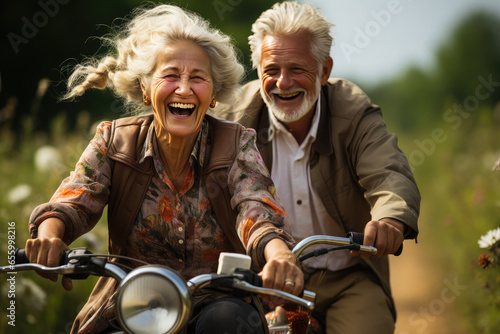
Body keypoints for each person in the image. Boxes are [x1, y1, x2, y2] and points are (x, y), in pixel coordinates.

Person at [24, 4, 304, 334]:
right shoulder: (114, 142)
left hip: (218, 301)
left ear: (213, 95)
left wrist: (279, 256)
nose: (184, 89)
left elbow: (256, 211)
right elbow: (74, 200)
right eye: (170, 75)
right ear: (145, 89)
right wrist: (49, 237)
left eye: (198, 78)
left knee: (227, 323)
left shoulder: (236, 144)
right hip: (134, 300)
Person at [212, 1, 421, 333]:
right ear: (258, 71)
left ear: (324, 71)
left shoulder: (353, 110)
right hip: (265, 283)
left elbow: (389, 173)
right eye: (271, 69)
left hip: (348, 279)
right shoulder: (233, 117)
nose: (283, 82)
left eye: (297, 69)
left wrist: (390, 218)